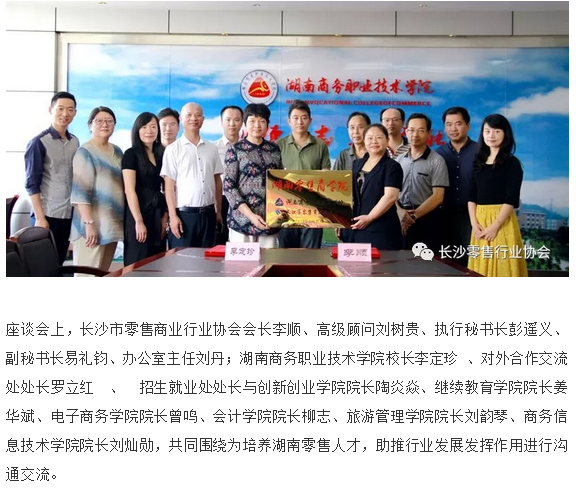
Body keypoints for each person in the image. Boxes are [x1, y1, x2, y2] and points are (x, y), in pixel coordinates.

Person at [468, 114, 528, 277]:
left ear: (505, 134)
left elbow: (511, 198)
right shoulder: (478, 162)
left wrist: (495, 226)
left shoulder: (512, 163)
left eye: (496, 131)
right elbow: (472, 196)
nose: (491, 135)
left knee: (503, 266)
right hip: (480, 221)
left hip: (502, 221)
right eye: (487, 131)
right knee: (480, 268)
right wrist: (474, 224)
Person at [24, 91, 79, 264]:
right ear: (50, 110)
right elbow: (31, 184)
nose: (65, 114)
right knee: (42, 266)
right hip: (47, 214)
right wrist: (40, 218)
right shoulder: (39, 142)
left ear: (75, 113)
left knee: (59, 263)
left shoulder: (75, 142)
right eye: (60, 109)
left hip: (68, 214)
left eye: (70, 110)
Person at [160, 102, 223, 248]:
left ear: (203, 119)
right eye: (189, 115)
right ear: (181, 119)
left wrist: (218, 212)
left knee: (207, 259)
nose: (193, 118)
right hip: (184, 216)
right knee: (182, 259)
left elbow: (217, 181)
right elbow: (169, 186)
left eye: (198, 115)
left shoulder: (212, 148)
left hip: (208, 214)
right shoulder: (173, 149)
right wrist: (173, 216)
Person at [71, 106, 124, 272]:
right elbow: (80, 192)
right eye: (99, 121)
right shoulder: (85, 152)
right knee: (87, 275)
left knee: (102, 274)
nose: (105, 124)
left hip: (112, 225)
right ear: (90, 125)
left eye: (109, 121)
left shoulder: (117, 151)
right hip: (92, 226)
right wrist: (89, 223)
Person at [223, 103, 282, 248]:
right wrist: (250, 216)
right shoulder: (235, 149)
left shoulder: (274, 149)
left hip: (269, 221)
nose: (257, 125)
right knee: (243, 262)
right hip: (241, 221)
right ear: (245, 124)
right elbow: (229, 187)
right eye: (252, 121)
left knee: (269, 261)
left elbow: (279, 183)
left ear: (267, 125)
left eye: (262, 121)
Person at [277, 99, 331, 249]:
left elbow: (326, 174)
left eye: (304, 117)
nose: (299, 122)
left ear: (310, 120)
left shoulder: (320, 145)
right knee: (286, 253)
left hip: (313, 209)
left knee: (311, 253)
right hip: (286, 208)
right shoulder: (279, 145)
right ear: (289, 121)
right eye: (295, 118)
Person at [396, 113, 449, 254]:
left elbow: (438, 196)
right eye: (411, 130)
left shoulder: (437, 161)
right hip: (399, 217)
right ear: (406, 131)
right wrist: (399, 211)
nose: (415, 135)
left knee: (425, 261)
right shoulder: (398, 159)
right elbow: (390, 191)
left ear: (428, 133)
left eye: (420, 130)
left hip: (426, 218)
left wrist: (413, 217)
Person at [122, 112, 167, 266]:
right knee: (137, 261)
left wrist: (165, 217)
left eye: (153, 127)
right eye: (144, 127)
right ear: (137, 130)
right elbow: (129, 190)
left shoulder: (162, 154)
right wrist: (139, 221)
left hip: (157, 214)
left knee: (157, 261)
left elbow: (167, 188)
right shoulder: (131, 154)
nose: (149, 131)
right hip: (138, 213)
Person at [436, 107, 478, 265]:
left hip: (474, 216)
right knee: (446, 261)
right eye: (449, 124)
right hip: (444, 215)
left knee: (472, 260)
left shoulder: (481, 151)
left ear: (468, 125)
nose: (453, 129)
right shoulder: (438, 154)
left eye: (458, 124)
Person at [351, 124, 403, 250]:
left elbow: (390, 197)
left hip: (381, 229)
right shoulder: (356, 164)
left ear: (387, 140)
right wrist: (340, 221)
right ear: (364, 141)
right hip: (355, 228)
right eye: (369, 138)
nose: (374, 141)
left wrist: (369, 218)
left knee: (382, 262)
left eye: (379, 137)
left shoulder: (392, 167)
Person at [333, 111, 370, 243]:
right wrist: (337, 219)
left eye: (360, 127)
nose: (356, 132)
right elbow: (335, 188)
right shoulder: (343, 156)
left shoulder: (377, 154)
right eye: (352, 127)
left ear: (368, 128)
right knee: (350, 251)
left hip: (372, 213)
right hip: (349, 214)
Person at [213, 105, 244, 244]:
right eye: (228, 120)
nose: (232, 124)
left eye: (236, 120)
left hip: (243, 201)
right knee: (219, 241)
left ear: (242, 122)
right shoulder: (213, 148)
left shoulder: (247, 148)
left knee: (240, 242)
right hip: (221, 199)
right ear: (221, 122)